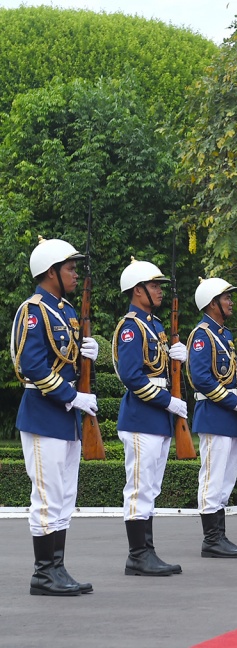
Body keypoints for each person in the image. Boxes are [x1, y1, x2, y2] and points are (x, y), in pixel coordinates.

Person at [12, 238, 98, 596]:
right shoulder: (34, 310)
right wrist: (71, 395)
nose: (75, 274)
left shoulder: (65, 311)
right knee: (47, 496)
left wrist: (87, 354)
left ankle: (57, 567)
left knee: (64, 497)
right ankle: (44, 573)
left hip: (65, 419)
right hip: (43, 415)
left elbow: (65, 359)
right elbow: (29, 365)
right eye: (70, 268)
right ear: (51, 272)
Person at [112, 259, 187, 576]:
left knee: (151, 488)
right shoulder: (131, 327)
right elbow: (131, 377)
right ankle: (137, 556)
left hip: (157, 419)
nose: (159, 291)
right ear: (137, 290)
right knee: (140, 488)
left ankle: (148, 551)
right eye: (154, 286)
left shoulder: (155, 326)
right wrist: (167, 401)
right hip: (142, 417)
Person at [186, 277, 237, 559]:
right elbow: (201, 379)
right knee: (212, 478)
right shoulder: (202, 335)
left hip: (228, 416)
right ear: (212, 303)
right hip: (214, 414)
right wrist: (233, 400)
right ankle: (211, 539)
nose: (230, 302)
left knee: (226, 479)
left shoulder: (224, 336)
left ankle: (220, 536)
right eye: (226, 298)